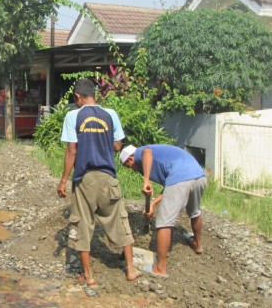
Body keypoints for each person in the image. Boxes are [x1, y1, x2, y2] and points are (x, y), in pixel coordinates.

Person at [57, 78, 142, 295]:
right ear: (94, 94)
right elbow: (116, 145)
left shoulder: (73, 116)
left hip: (85, 178)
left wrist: (64, 180)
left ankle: (89, 276)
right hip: (108, 176)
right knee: (119, 218)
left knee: (82, 223)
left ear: (77, 96)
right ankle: (131, 270)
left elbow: (72, 151)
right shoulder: (110, 114)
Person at [119, 144, 207, 279]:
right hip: (199, 176)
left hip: (181, 177)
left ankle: (160, 268)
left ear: (130, 160)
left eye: (129, 166)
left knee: (163, 222)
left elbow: (147, 152)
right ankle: (198, 245)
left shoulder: (141, 152)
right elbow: (170, 185)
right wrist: (153, 204)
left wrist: (146, 180)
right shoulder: (162, 156)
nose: (134, 170)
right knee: (194, 212)